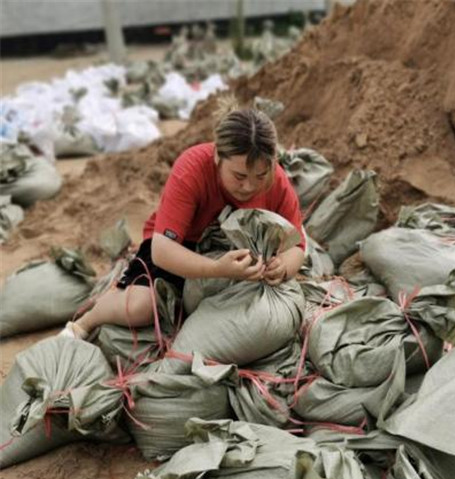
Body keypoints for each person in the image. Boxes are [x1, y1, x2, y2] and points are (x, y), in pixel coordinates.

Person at [61, 101, 306, 340]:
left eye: (260, 176)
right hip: (183, 246)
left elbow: (297, 246)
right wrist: (217, 270)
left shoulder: (277, 181)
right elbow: (162, 250)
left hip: (239, 254)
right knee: (141, 308)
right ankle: (85, 321)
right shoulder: (192, 168)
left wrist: (282, 266)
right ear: (217, 156)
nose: (249, 186)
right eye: (239, 176)